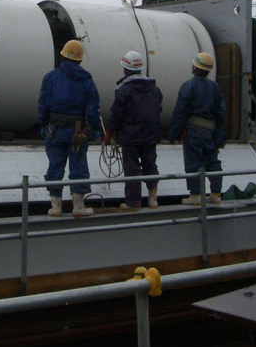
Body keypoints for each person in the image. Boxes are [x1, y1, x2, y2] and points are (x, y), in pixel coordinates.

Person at [38, 40, 100, 218]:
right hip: (78, 132)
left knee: (55, 167)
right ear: (80, 60)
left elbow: (42, 106)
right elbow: (93, 110)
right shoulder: (86, 81)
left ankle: (56, 208)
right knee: (78, 166)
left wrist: (43, 125)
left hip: (54, 131)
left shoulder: (50, 78)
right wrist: (95, 130)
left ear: (62, 56)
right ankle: (78, 207)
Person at [104, 51, 163, 210]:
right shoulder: (154, 89)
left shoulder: (124, 90)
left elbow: (116, 114)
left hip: (131, 137)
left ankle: (133, 203)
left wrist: (109, 133)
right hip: (150, 136)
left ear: (125, 69)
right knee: (150, 165)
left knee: (132, 170)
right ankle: (153, 200)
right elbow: (158, 109)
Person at [168, 52, 226, 205]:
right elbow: (221, 112)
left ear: (195, 66)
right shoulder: (215, 87)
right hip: (211, 130)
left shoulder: (189, 86)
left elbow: (180, 112)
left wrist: (173, 134)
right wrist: (219, 131)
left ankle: (195, 195)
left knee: (194, 163)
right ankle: (215, 194)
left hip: (193, 131)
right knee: (212, 162)